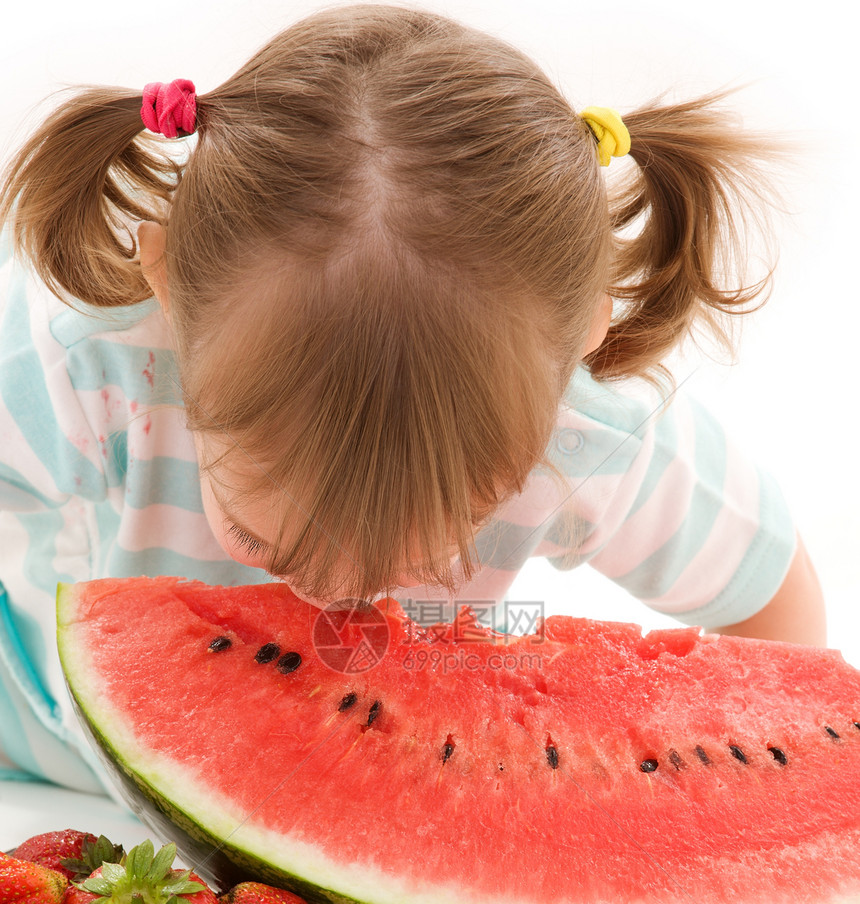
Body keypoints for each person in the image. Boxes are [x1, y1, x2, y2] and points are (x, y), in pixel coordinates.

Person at [0, 3, 825, 795]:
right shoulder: (92, 367)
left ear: (581, 347)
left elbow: (772, 600)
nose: (336, 605)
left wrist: (747, 791)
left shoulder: (593, 438)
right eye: (261, 538)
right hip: (33, 724)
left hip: (373, 762)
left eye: (428, 562)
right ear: (170, 292)